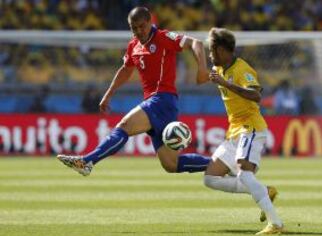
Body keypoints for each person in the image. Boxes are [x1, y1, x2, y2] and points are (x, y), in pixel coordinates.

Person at [57, 7, 210, 176]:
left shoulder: (162, 37)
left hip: (162, 100)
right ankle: (223, 166)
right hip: (158, 103)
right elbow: (126, 69)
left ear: (150, 22)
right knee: (171, 164)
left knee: (124, 126)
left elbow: (196, 43)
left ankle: (87, 161)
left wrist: (202, 69)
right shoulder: (133, 46)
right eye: (134, 28)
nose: (139, 31)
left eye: (142, 26)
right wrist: (108, 94)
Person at [200, 28, 284, 235]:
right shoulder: (219, 69)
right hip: (234, 132)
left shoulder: (241, 69)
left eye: (211, 51)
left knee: (244, 174)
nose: (210, 56)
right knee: (210, 178)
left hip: (251, 127)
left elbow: (256, 96)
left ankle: (276, 223)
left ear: (220, 49)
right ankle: (264, 191)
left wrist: (226, 83)